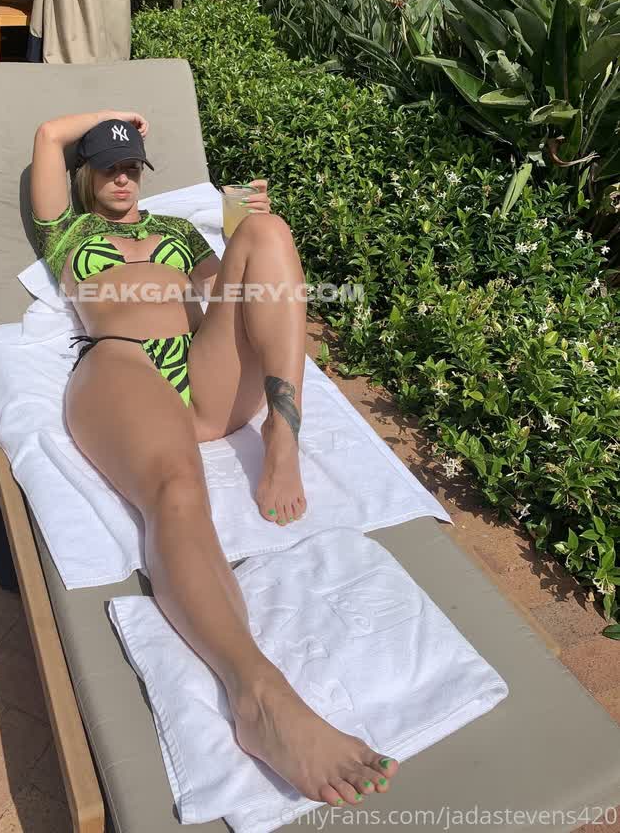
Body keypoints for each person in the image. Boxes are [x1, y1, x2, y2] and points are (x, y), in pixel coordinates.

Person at [30, 110, 399, 808]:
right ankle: (258, 695)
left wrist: (238, 233)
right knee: (177, 490)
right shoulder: (68, 233)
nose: (121, 178)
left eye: (131, 165)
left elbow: (222, 293)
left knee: (268, 230)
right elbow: (48, 134)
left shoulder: (176, 230)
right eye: (107, 166)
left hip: (205, 376)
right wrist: (120, 120)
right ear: (86, 175)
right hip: (123, 367)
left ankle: (283, 439)